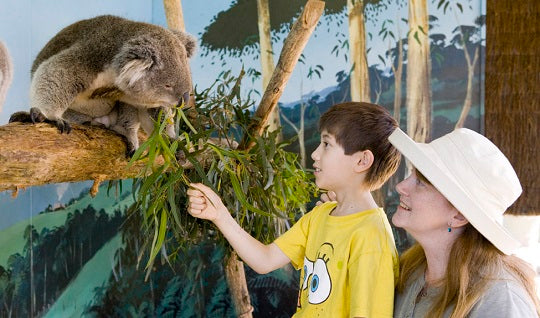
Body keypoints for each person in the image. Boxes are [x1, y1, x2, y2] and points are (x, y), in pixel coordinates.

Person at [187, 102, 402, 317]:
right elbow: (265, 259)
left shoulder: (372, 236)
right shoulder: (319, 215)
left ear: (362, 160)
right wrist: (219, 214)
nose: (315, 154)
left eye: (327, 144)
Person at [387, 128, 540, 317]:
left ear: (458, 216)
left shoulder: (501, 300)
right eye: (412, 175)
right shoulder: (411, 271)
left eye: (421, 183)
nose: (401, 186)